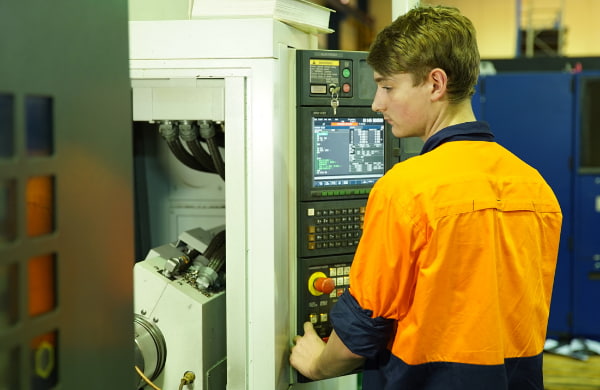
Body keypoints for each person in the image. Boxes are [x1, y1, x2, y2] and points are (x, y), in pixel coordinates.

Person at [290, 5, 562, 390]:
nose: (376, 103)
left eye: (387, 86)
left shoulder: (406, 188)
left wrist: (317, 364)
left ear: (435, 84)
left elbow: (364, 328)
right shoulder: (535, 187)